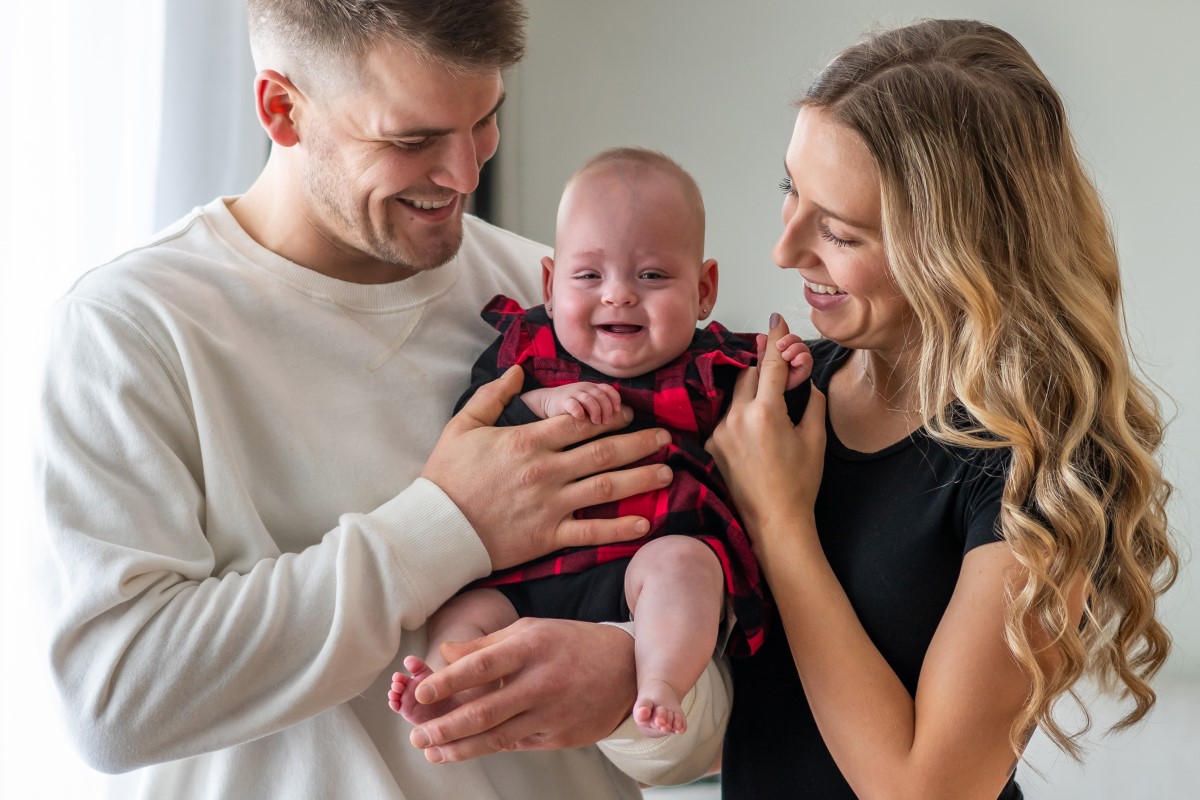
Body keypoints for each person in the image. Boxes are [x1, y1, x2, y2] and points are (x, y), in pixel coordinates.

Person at [34, 2, 730, 797]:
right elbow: (115, 703)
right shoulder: (130, 329)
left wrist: (624, 692)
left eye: (484, 121)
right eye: (412, 139)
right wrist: (448, 524)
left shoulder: (569, 304)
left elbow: (719, 726)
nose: (465, 174)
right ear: (281, 109)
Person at [705, 18, 1180, 799]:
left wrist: (781, 526)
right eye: (790, 189)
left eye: (840, 233)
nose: (784, 251)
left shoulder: (1043, 471)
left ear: (959, 251)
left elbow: (928, 792)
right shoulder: (775, 400)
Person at [388, 148, 811, 739]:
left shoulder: (715, 362)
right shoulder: (526, 351)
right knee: (464, 611)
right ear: (549, 285)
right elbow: (471, 427)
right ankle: (440, 684)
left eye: (652, 276)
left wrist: (787, 375)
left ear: (703, 290)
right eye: (589, 276)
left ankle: (660, 681)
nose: (618, 295)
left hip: (648, 556)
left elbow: (767, 421)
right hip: (526, 571)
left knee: (689, 567)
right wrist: (543, 403)